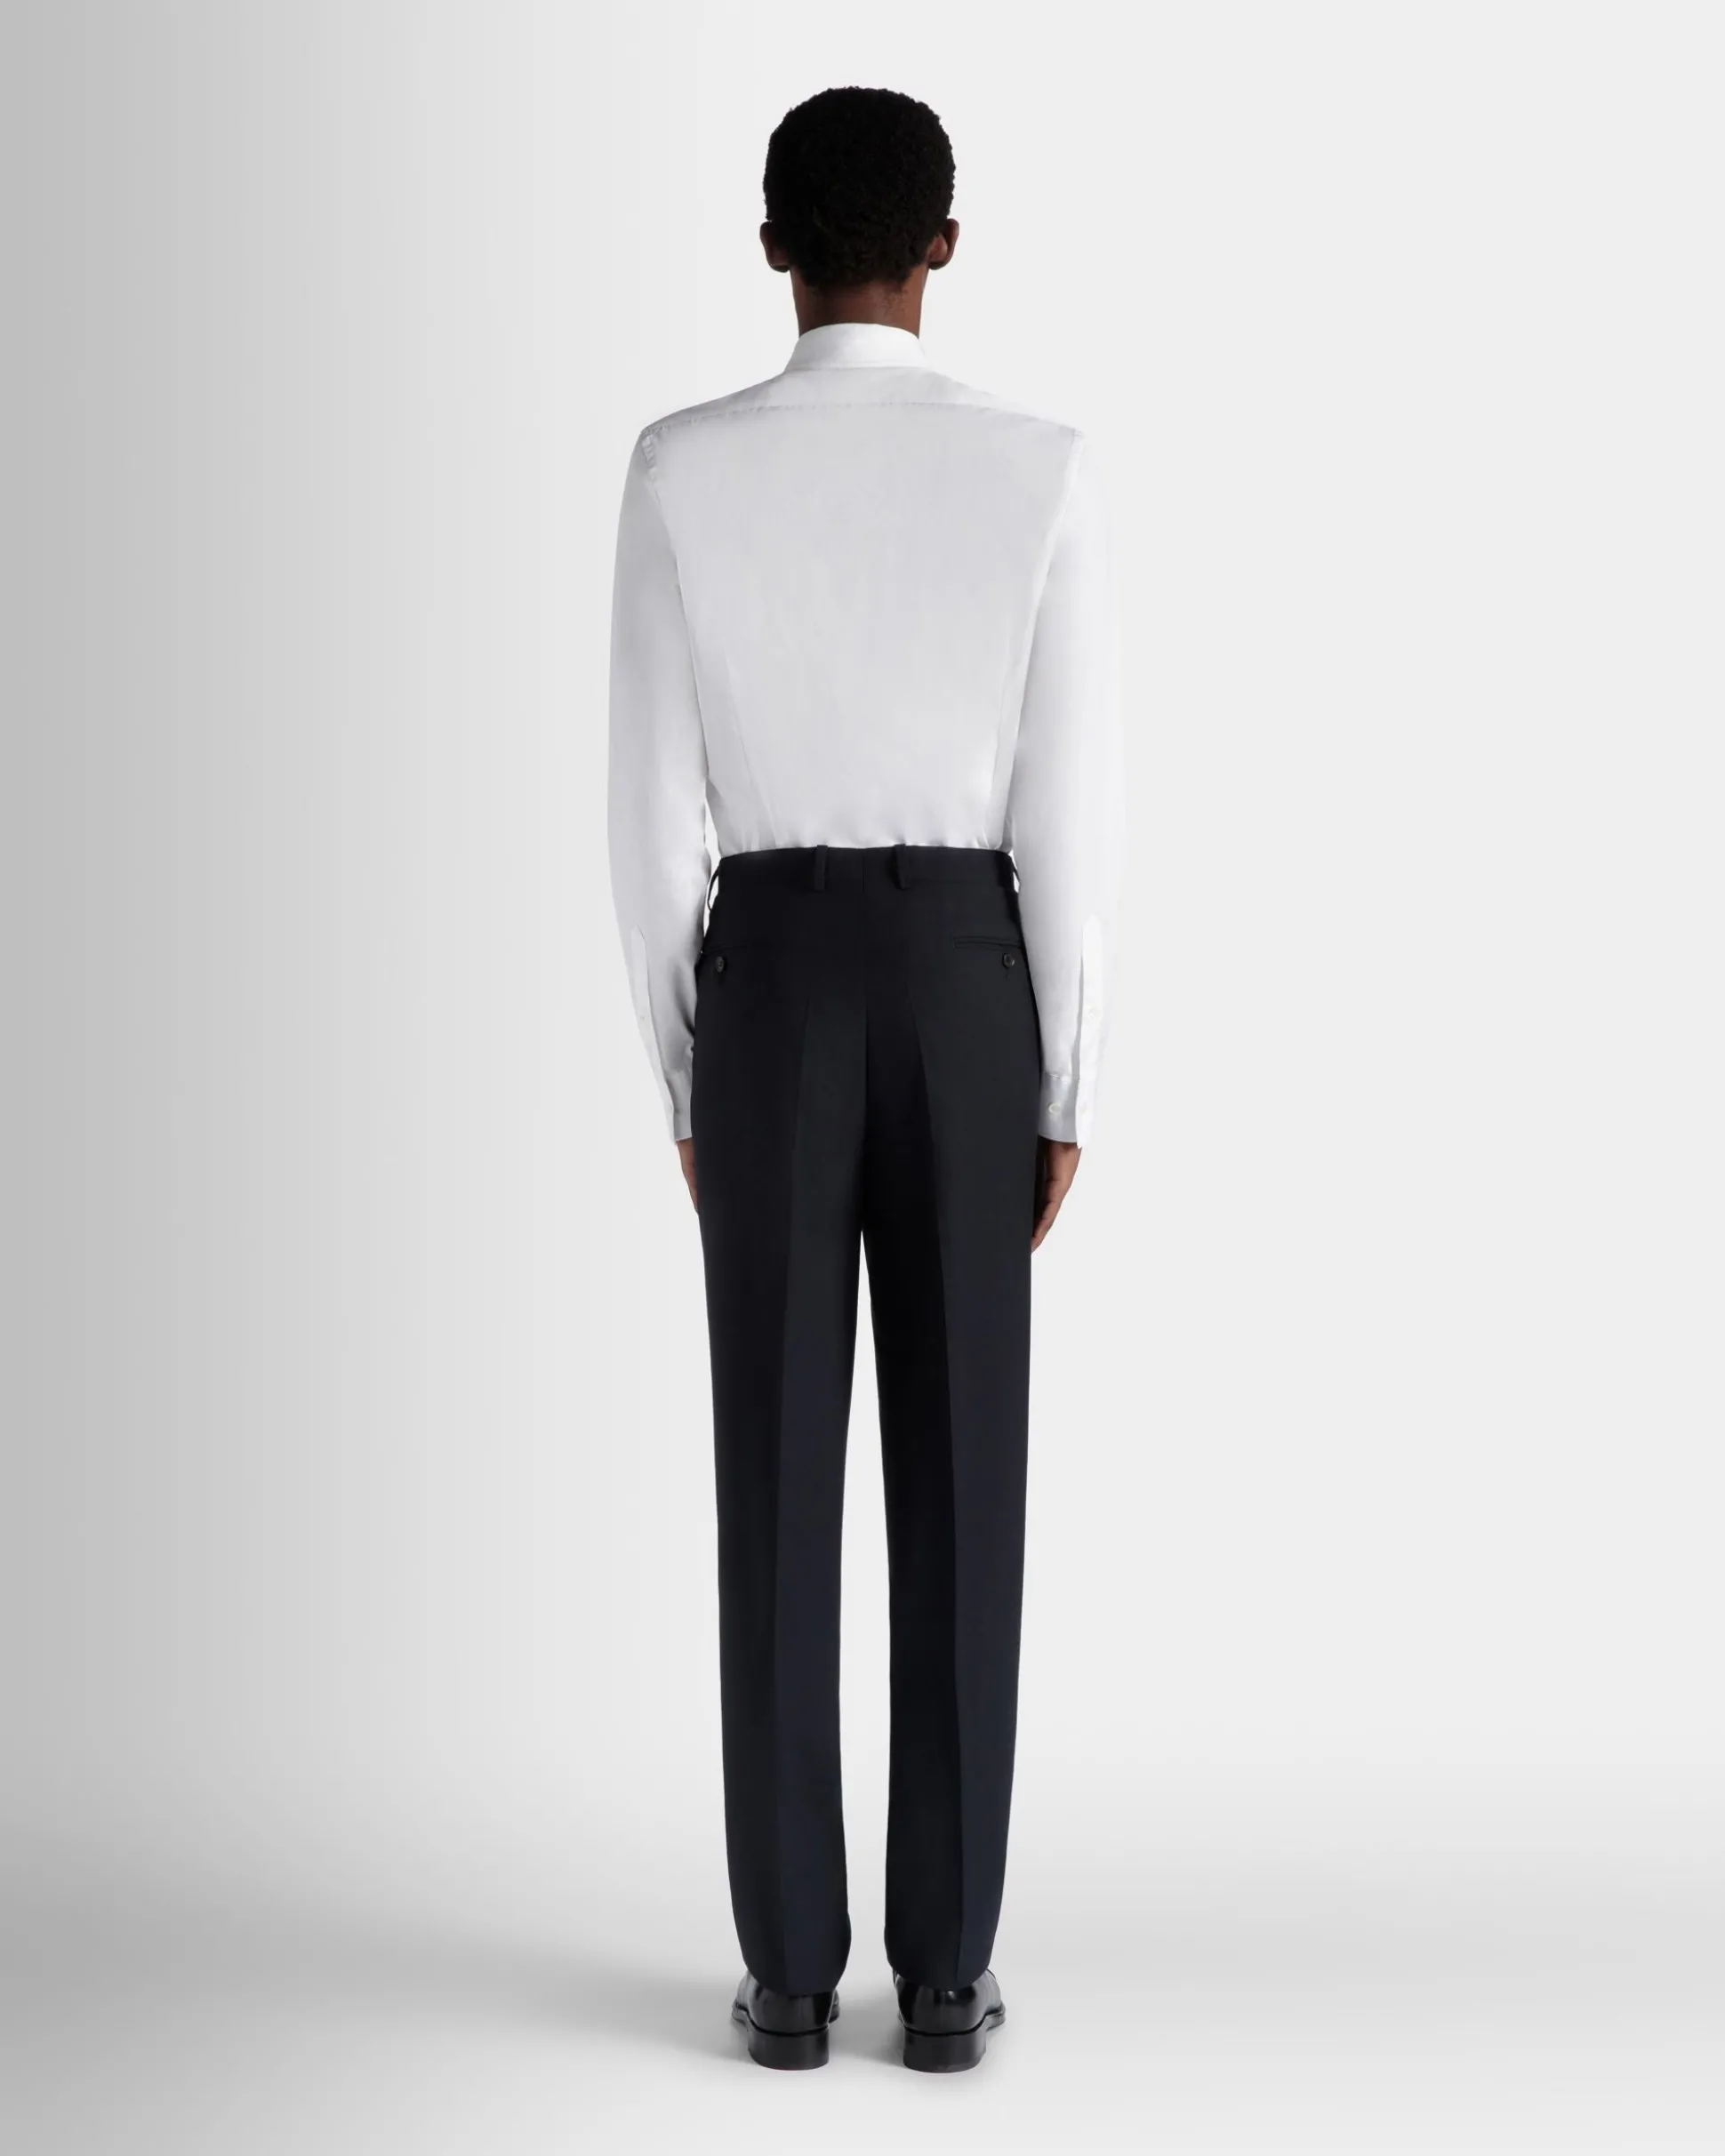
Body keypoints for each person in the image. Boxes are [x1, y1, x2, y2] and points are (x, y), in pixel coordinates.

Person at [606, 84, 1123, 2072]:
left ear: (771, 249)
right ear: (944, 247)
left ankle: (788, 1978)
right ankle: (951, 1976)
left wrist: (687, 1067)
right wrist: (1062, 1078)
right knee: (964, 1473)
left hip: (769, 984)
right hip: (970, 979)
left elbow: (647, 810)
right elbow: (1068, 812)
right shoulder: (1040, 467)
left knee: (771, 1471)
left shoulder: (680, 469)